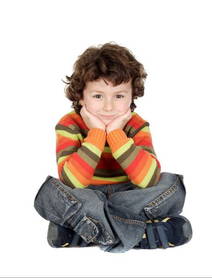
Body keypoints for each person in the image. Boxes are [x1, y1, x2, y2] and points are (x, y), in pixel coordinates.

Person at [34, 42, 192, 253]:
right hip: (88, 196)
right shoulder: (69, 124)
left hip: (129, 196)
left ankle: (88, 231)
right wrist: (97, 133)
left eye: (119, 96)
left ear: (131, 97)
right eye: (98, 96)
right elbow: (72, 181)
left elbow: (148, 180)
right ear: (81, 96)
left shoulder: (136, 125)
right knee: (50, 193)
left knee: (172, 186)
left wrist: (116, 134)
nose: (108, 107)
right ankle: (142, 235)